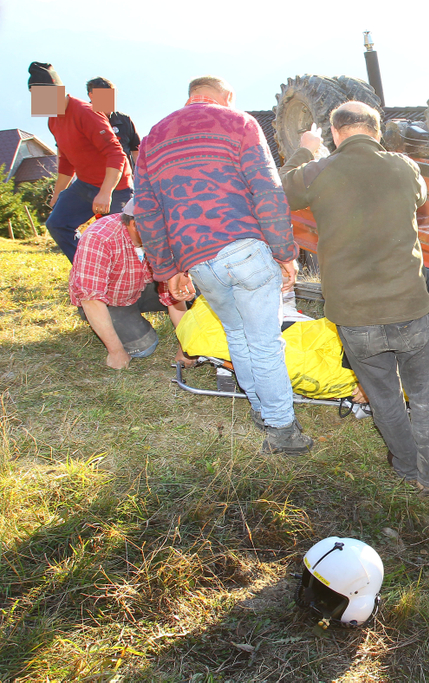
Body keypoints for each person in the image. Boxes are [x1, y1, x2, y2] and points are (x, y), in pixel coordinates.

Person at [280, 103, 429, 492]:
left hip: (355, 315)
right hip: (409, 307)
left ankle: (407, 466)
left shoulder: (317, 171)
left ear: (335, 132)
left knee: (384, 397)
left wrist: (307, 148)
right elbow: (419, 195)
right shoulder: (403, 166)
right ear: (377, 131)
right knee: (425, 397)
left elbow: (276, 191)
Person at [133, 75, 312, 456]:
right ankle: (282, 430)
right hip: (245, 248)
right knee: (264, 342)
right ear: (226, 97)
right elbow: (266, 189)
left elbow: (148, 212)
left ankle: (262, 411)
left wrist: (168, 271)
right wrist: (284, 252)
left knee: (236, 334)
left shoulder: (151, 139)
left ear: (191, 97)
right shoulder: (239, 122)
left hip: (198, 261)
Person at [27, 62, 132, 264]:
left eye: (40, 96)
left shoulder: (86, 113)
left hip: (115, 186)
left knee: (121, 240)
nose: (37, 102)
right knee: (58, 224)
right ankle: (88, 270)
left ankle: (130, 282)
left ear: (57, 91)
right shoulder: (53, 120)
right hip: (85, 184)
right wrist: (58, 193)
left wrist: (105, 192)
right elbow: (66, 159)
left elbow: (116, 154)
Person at [69, 199, 190, 369]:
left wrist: (186, 346)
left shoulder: (158, 237)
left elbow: (172, 290)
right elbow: (91, 299)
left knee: (195, 293)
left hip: (142, 286)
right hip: (109, 300)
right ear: (135, 224)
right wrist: (116, 351)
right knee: (143, 348)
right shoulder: (99, 238)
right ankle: (109, 324)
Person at [86, 77, 141, 171]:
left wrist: (140, 177)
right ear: (92, 96)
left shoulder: (124, 120)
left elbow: (136, 151)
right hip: (93, 179)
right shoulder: (82, 120)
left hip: (124, 179)